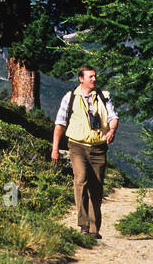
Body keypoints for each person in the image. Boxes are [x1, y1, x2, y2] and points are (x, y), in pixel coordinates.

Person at [51, 66, 119, 237]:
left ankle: (95, 229)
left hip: (99, 148)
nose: (94, 79)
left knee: (96, 187)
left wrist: (112, 130)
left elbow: (113, 117)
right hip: (77, 146)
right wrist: (55, 149)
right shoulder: (70, 97)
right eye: (90, 77)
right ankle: (84, 225)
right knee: (80, 180)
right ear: (81, 79)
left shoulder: (104, 96)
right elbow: (60, 123)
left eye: (95, 76)